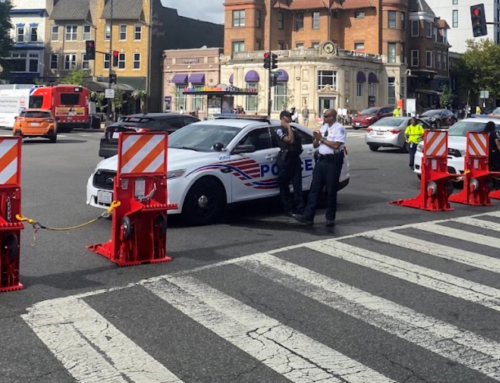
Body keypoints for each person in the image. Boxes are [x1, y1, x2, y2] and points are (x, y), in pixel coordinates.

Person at [294, 108, 346, 227]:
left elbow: (337, 145)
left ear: (332, 116)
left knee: (331, 190)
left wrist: (322, 139)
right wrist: (316, 139)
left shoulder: (339, 128)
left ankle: (330, 217)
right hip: (321, 160)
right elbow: (316, 145)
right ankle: (308, 216)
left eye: (327, 116)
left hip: (332, 162)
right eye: (324, 116)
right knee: (315, 189)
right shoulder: (323, 128)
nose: (324, 118)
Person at [274, 110, 304, 217]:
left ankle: (300, 209)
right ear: (282, 117)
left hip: (295, 159)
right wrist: (288, 127)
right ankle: (288, 209)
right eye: (287, 116)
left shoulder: (293, 128)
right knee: (284, 185)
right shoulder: (279, 130)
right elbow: (290, 140)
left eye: (290, 116)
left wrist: (289, 127)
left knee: (297, 185)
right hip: (285, 160)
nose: (290, 118)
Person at [486, 121, 500, 188]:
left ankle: (489, 183)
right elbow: (497, 143)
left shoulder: (485, 133)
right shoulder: (494, 133)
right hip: (494, 153)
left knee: (488, 167)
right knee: (496, 169)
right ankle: (497, 186)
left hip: (486, 153)